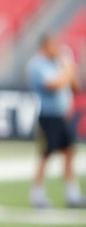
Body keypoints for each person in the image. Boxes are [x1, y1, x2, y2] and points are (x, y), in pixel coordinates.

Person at [26, 33, 83, 208]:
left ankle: (72, 193)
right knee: (46, 154)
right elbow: (53, 85)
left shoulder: (59, 63)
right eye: (53, 45)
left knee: (69, 152)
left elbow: (76, 87)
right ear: (44, 47)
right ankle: (37, 193)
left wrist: (70, 71)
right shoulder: (37, 65)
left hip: (63, 115)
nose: (57, 49)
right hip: (47, 115)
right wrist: (68, 68)